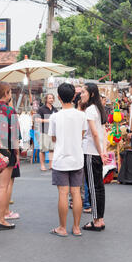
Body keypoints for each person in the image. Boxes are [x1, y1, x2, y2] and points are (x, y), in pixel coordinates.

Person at [48, 83, 87, 237]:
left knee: (63, 194)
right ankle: (76, 228)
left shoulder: (55, 116)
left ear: (58, 97)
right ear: (73, 97)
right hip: (77, 158)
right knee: (76, 193)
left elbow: (53, 138)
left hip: (61, 159)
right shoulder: (81, 115)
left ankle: (62, 228)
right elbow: (82, 134)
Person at [0, 82, 21, 231]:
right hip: (6, 151)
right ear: (6, 93)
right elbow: (15, 137)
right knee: (3, 186)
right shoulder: (10, 111)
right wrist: (17, 154)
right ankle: (1, 219)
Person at [80, 83, 108, 231]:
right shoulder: (98, 109)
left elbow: (95, 133)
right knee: (99, 187)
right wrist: (103, 151)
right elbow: (102, 133)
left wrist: (100, 151)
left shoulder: (90, 110)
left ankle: (96, 220)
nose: (81, 94)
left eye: (83, 92)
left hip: (91, 152)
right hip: (97, 152)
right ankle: (100, 219)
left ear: (91, 94)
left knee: (93, 187)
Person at [36, 93, 57, 171]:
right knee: (43, 150)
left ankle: (51, 165)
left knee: (52, 149)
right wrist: (48, 120)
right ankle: (42, 165)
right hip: (44, 131)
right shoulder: (41, 109)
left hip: (52, 132)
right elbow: (37, 119)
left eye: (52, 98)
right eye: (49, 98)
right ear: (46, 99)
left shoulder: (55, 110)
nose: (51, 99)